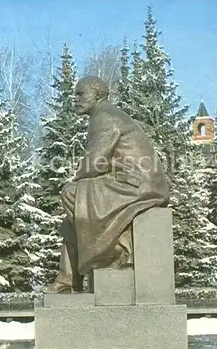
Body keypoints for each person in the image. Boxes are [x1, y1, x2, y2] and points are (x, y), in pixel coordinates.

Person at [43, 76, 170, 293]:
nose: (75, 99)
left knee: (71, 194)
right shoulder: (106, 114)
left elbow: (95, 162)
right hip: (131, 182)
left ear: (98, 95)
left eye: (81, 94)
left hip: (136, 187)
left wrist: (78, 180)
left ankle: (110, 252)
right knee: (74, 210)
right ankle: (68, 279)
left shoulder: (103, 117)